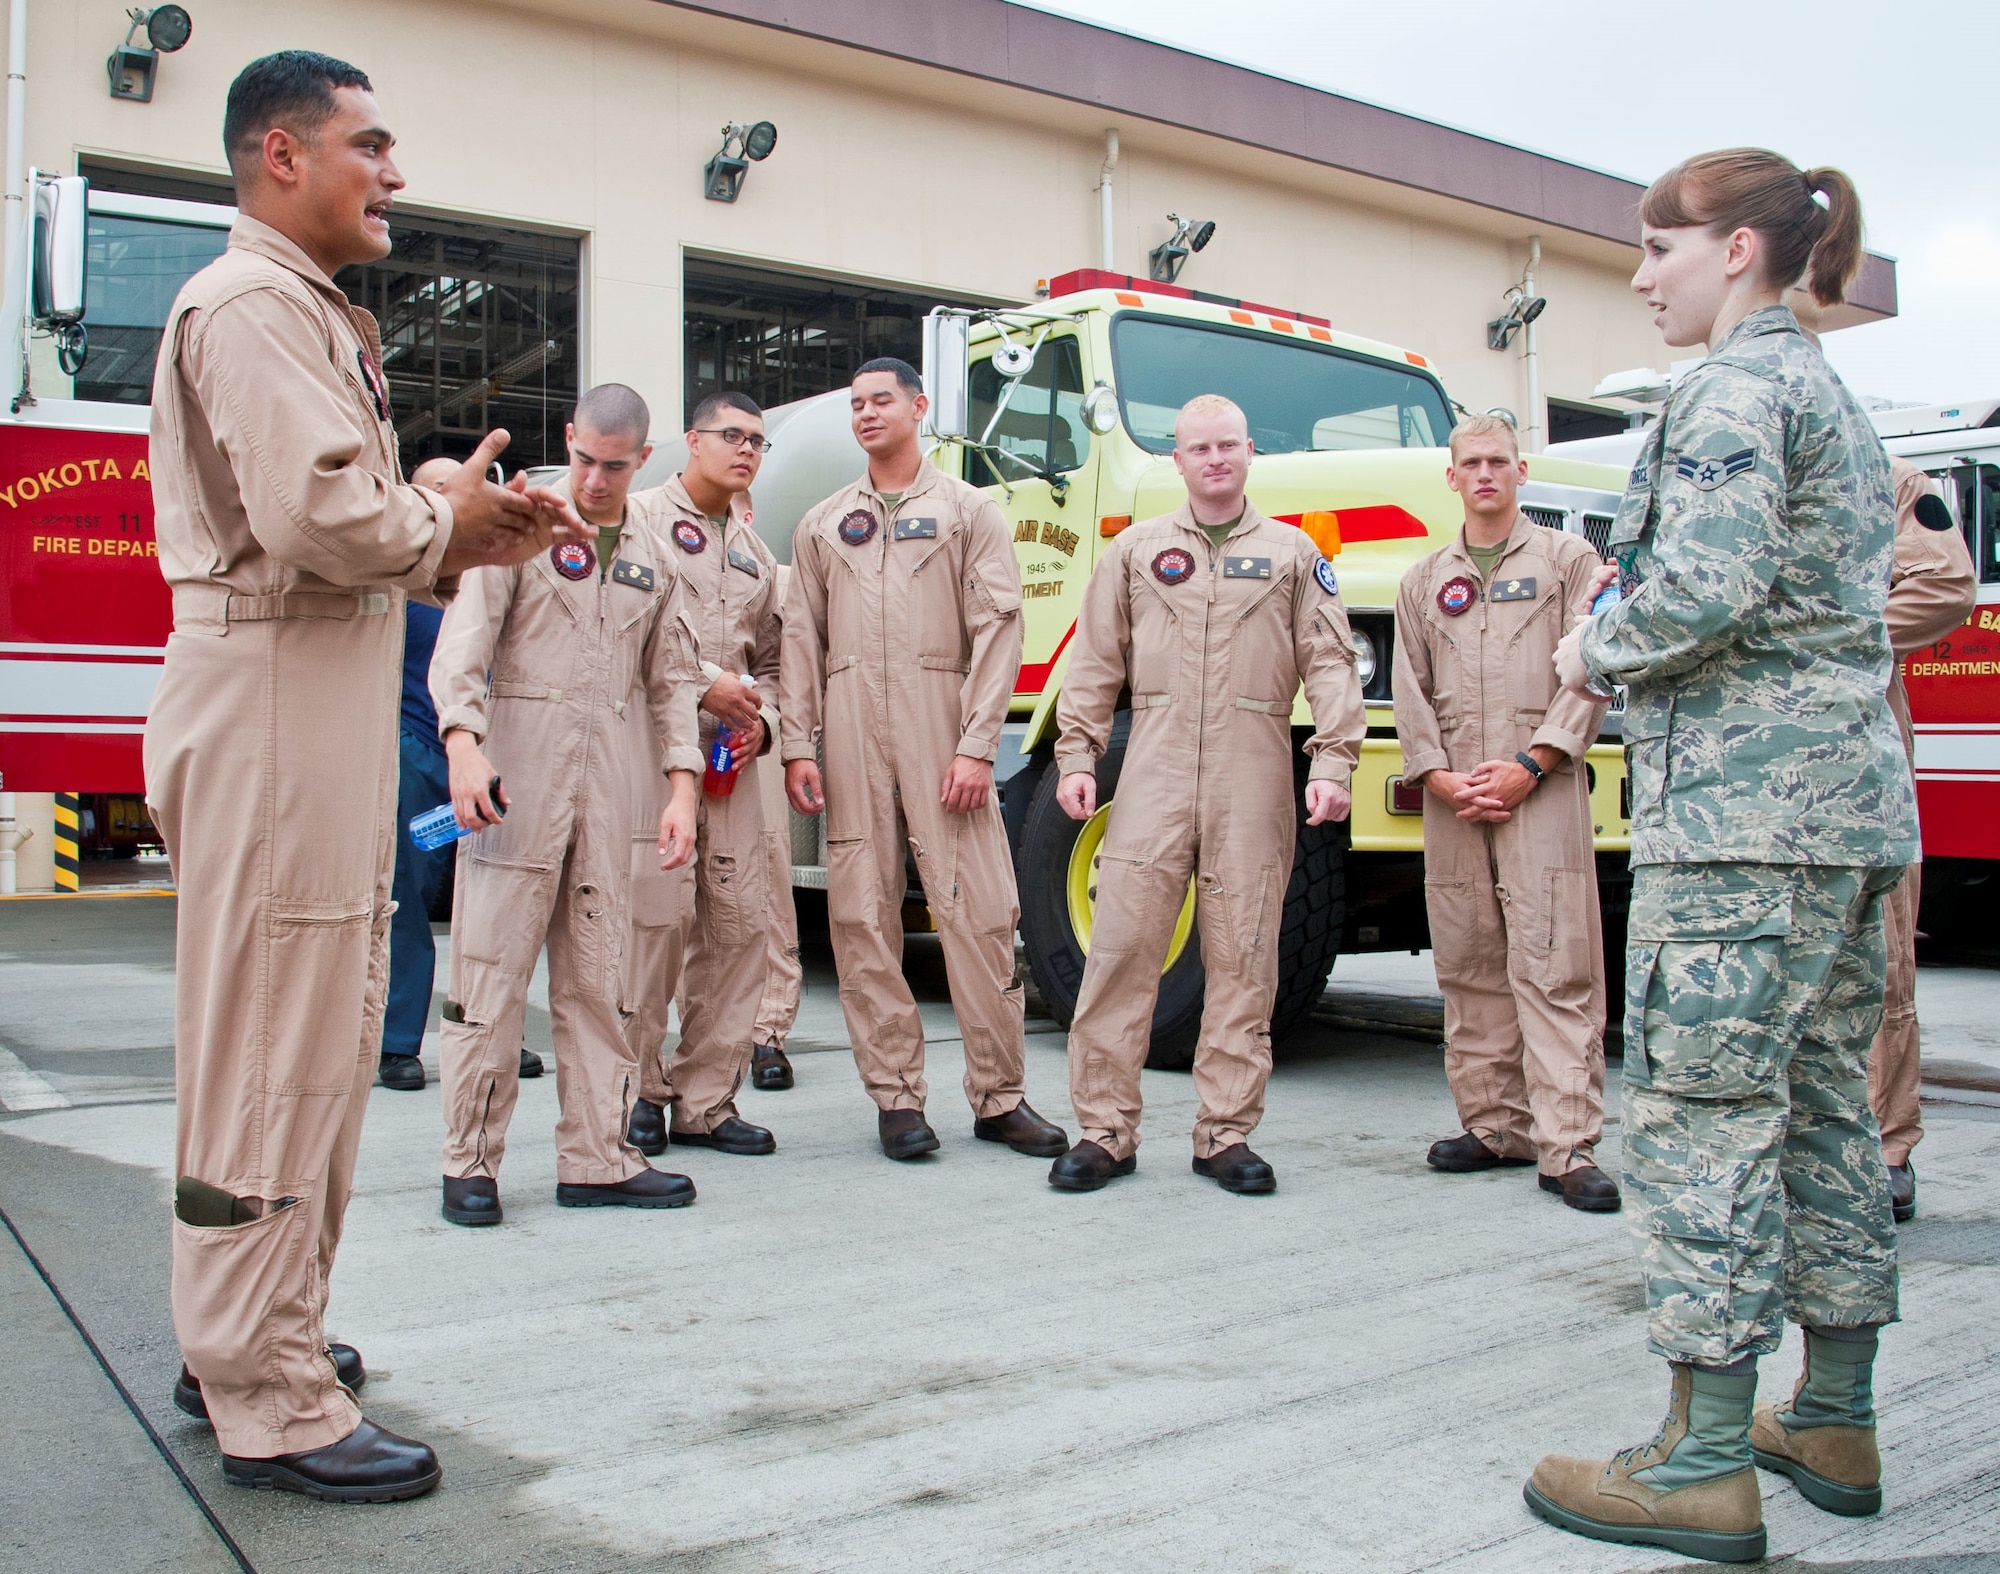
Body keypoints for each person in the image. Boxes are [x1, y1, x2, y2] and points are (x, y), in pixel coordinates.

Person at [144, 51, 586, 1500]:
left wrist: (460, 524)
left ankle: (253, 1332)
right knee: (278, 1041)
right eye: (369, 145)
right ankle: (264, 1387)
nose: (392, 172)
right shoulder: (259, 301)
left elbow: (344, 519)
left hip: (301, 687)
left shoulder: (296, 305)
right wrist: (446, 517)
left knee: (303, 1032)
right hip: (276, 690)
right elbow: (328, 516)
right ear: (281, 155)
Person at [1529, 149, 1916, 1562]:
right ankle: (1832, 1412)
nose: (1640, 274)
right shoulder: (1829, 394)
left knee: (1702, 1117)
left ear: (1741, 250)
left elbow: (1702, 584)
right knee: (1822, 1111)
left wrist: (1590, 645)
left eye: (1657, 247)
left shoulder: (1735, 389)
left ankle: (1700, 1456)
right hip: (1845, 816)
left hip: (1747, 826)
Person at [1046, 394, 1365, 1194]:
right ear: (1178, 460)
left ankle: (1225, 1134)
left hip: (1253, 767)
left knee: (1244, 957)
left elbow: (1330, 665)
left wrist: (1333, 763)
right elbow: (1094, 661)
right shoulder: (1136, 552)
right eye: (1199, 448)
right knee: (1121, 951)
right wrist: (1078, 755)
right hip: (1151, 764)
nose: (1215, 459)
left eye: (1228, 446)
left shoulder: (1296, 556)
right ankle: (1104, 1131)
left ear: (1249, 452)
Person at [781, 357, 1068, 1162]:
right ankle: (897, 1101)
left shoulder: (968, 511)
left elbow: (999, 631)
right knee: (860, 918)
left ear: (919, 407)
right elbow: (801, 639)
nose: (868, 414)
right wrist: (799, 743)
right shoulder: (822, 525)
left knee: (978, 912)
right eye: (857, 404)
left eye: (883, 401)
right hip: (848, 731)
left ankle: (1000, 1097)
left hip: (942, 727)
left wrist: (978, 744)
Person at [430, 384, 702, 1227]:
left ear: (641, 462)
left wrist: (683, 789)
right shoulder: (520, 524)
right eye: (584, 458)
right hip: (514, 785)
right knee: (491, 978)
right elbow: (463, 647)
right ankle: (469, 1164)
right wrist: (463, 745)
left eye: (613, 466)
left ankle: (598, 1156)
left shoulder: (655, 552)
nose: (592, 479)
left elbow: (672, 681)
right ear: (569, 440)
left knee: (600, 984)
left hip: (607, 792)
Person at [1393, 414, 1619, 1212]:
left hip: (1542, 791)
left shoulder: (1568, 561)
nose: (1485, 474)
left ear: (1520, 471)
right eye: (1471, 463)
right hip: (1457, 799)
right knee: (1469, 964)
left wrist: (1535, 762)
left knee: (1556, 965)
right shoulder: (1424, 581)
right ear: (1451, 477)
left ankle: (1568, 1146)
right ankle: (1495, 1126)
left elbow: (1590, 673)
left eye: (1498, 462)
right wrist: (1440, 779)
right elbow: (1409, 691)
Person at [622, 392, 784, 1159]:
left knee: (739, 924)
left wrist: (765, 722)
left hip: (731, 762)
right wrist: (706, 683)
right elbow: (626, 629)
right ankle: (636, 1090)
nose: (746, 449)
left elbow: (780, 663)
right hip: (655, 748)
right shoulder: (642, 521)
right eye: (731, 435)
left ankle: (706, 1099)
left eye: (757, 440)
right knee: (655, 924)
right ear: (691, 439)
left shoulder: (756, 552)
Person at [379, 456, 544, 1092]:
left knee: (496, 901)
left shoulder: (502, 573)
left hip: (494, 760)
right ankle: (399, 1043)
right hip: (419, 755)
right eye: (438, 489)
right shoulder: (400, 581)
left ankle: (493, 1027)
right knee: (409, 900)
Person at [1867, 458, 1975, 1221]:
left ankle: (1888, 1146)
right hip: (1746, 767)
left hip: (1858, 754)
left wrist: (1828, 640)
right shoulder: (1725, 471)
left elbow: (1942, 585)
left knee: (1881, 956)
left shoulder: (1886, 475)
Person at [749, 563, 805, 1092]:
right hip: (671, 725)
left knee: (767, 881)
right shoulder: (657, 544)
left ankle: (768, 1032)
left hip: (750, 729)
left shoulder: (772, 576)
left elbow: (780, 664)